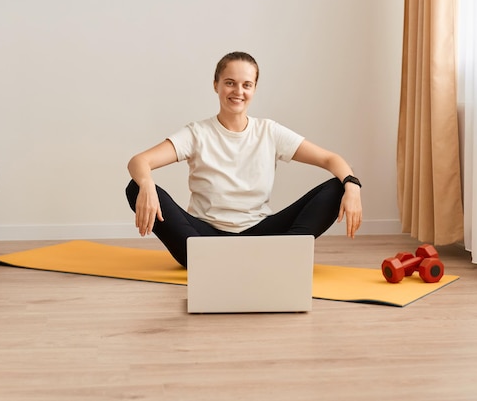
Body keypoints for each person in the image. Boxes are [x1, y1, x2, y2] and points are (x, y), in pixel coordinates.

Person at [126, 51, 362, 267]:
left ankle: (272, 252)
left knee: (338, 187)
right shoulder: (197, 133)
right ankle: (262, 258)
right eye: (230, 83)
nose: (238, 92)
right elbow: (139, 161)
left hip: (259, 231)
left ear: (254, 89)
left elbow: (331, 159)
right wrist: (147, 185)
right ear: (216, 85)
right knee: (135, 187)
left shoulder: (269, 131)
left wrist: (352, 186)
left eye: (246, 85)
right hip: (204, 236)